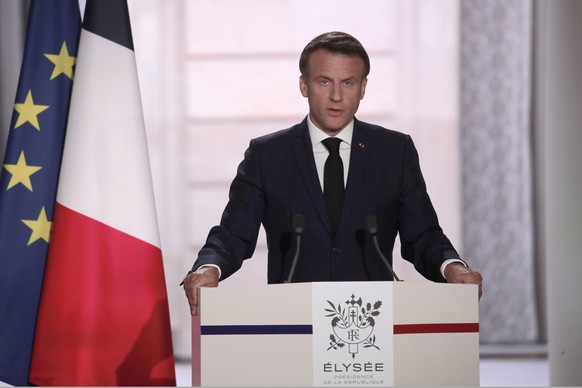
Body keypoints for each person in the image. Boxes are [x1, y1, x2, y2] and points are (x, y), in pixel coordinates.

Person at [183, 31, 483, 315]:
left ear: (363, 88)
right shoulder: (267, 155)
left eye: (348, 82)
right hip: (293, 318)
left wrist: (451, 267)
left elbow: (422, 235)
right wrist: (208, 268)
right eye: (324, 81)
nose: (337, 96)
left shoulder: (394, 151)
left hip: (371, 321)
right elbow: (234, 233)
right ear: (304, 85)